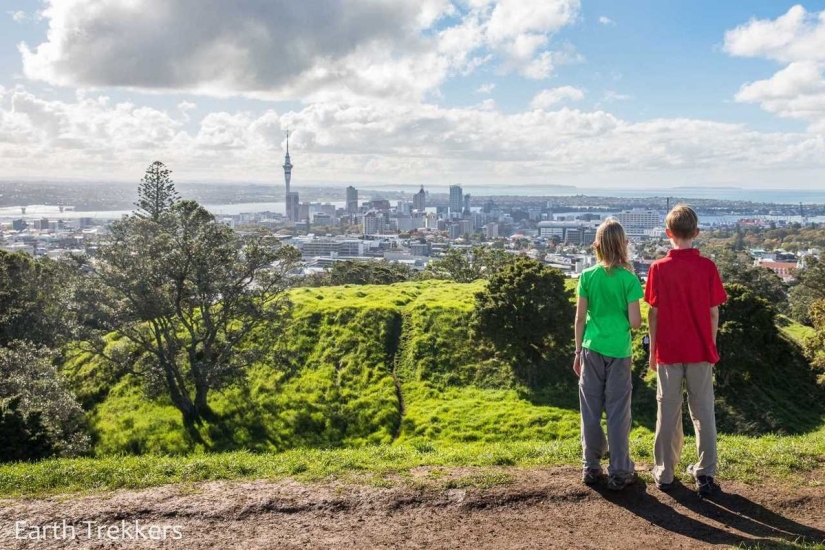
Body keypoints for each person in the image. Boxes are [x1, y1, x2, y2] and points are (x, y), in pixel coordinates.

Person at [645, 204, 727, 498]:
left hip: (668, 349)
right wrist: (711, 343)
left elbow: (653, 313)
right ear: (696, 233)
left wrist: (652, 350)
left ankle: (665, 472)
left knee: (667, 411)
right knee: (703, 411)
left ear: (668, 233)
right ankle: (705, 473)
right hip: (701, 349)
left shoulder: (657, 268)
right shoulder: (707, 267)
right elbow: (713, 312)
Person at [574, 217, 643, 491]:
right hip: (620, 352)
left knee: (590, 410)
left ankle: (590, 466)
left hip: (590, 348)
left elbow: (580, 318)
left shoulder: (587, 276)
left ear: (597, 245)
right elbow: (636, 322)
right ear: (623, 245)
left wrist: (578, 350)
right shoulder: (629, 279)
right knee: (617, 411)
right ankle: (620, 470)